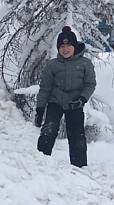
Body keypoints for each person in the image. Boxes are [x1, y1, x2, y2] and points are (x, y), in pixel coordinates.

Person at [35, 26, 96, 167]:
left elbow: (90, 84)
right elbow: (45, 89)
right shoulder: (52, 65)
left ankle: (80, 167)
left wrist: (82, 99)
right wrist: (40, 109)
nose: (65, 49)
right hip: (55, 103)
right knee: (48, 131)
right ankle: (40, 164)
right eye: (62, 46)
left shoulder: (85, 64)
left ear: (74, 46)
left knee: (77, 138)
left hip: (75, 104)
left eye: (68, 45)